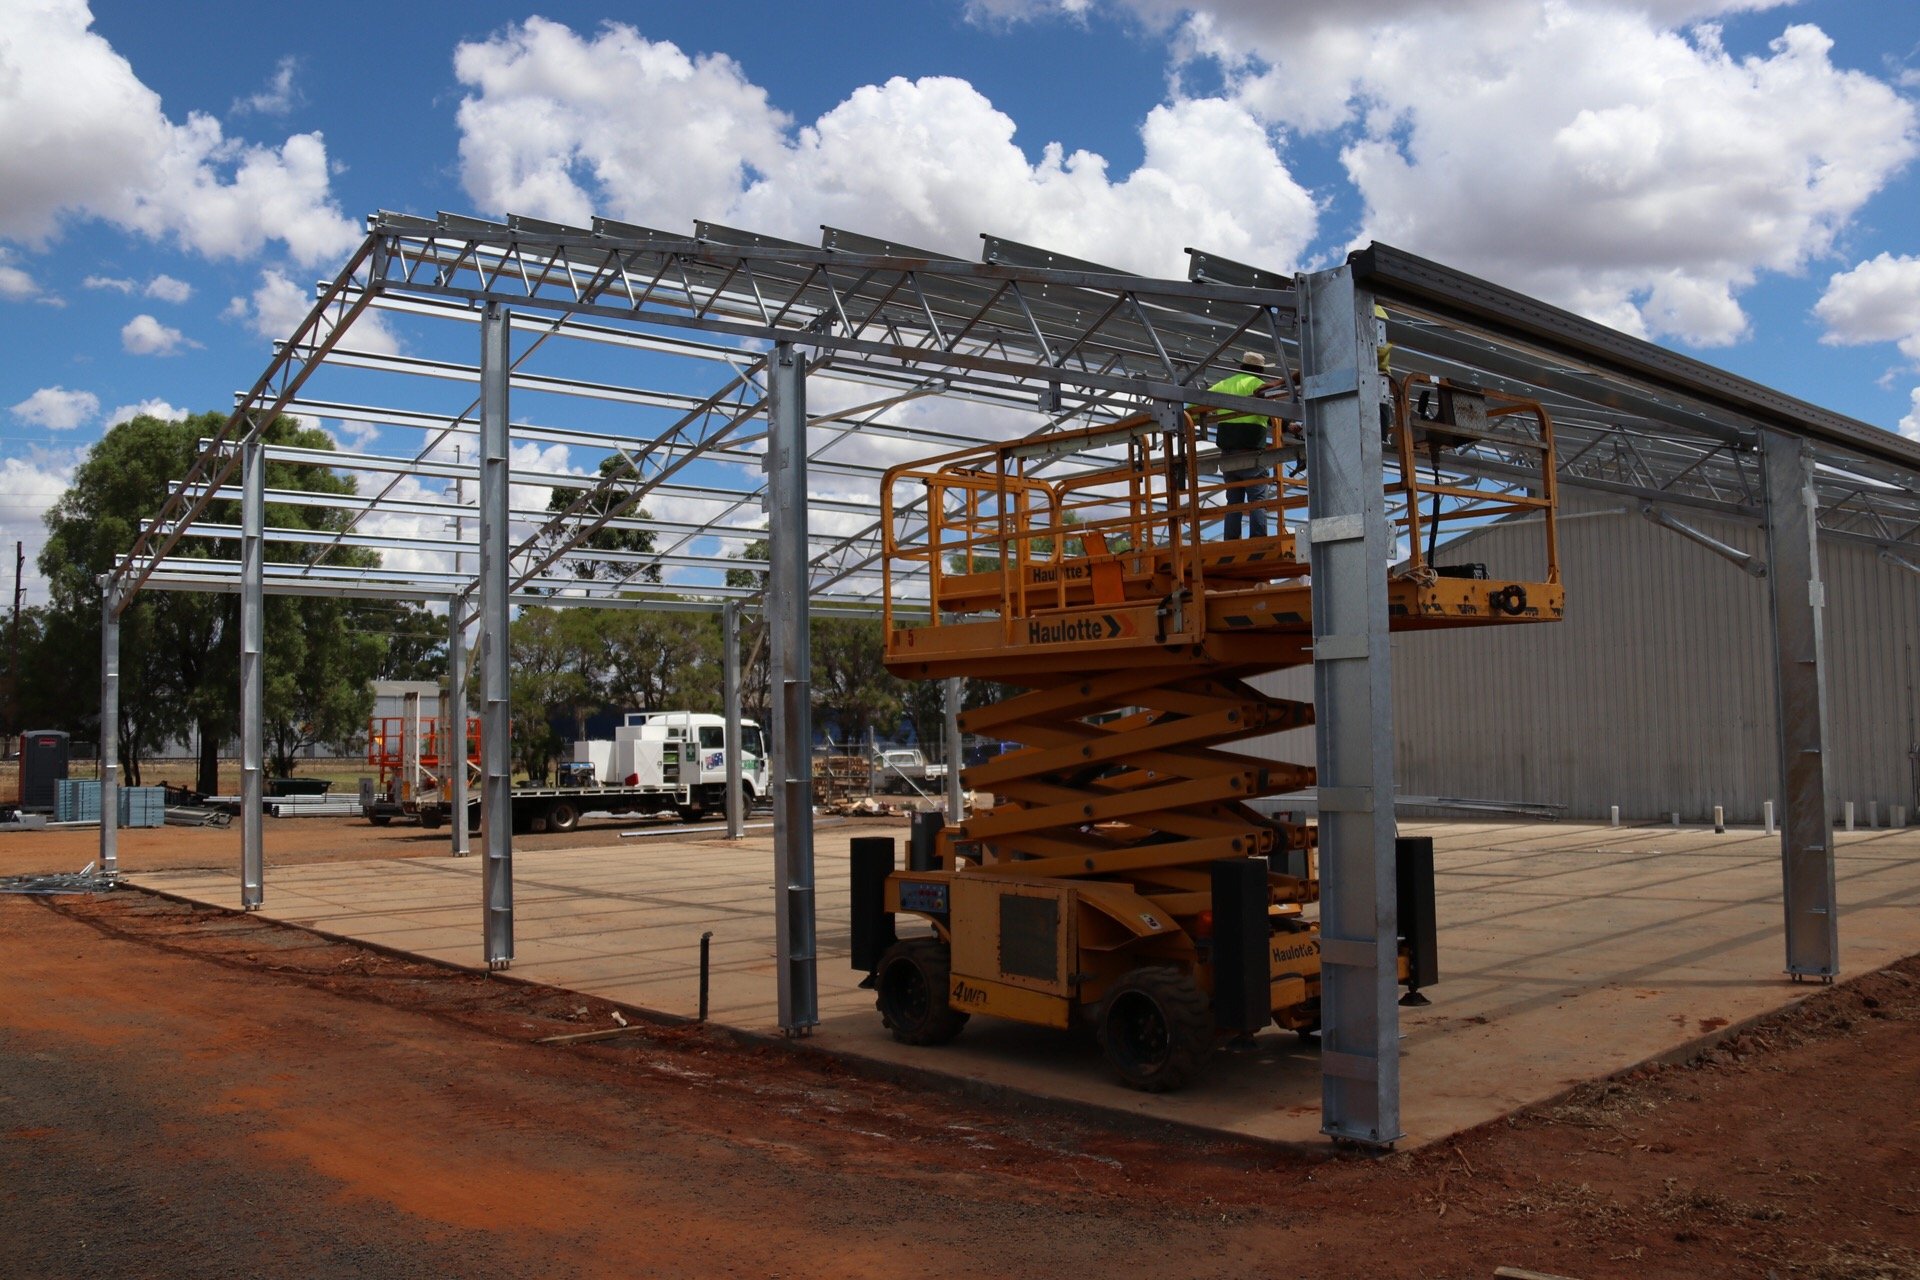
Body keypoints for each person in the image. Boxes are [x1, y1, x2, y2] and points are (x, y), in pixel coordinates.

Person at [1207, 351, 1277, 540]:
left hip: (1228, 456)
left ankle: (1231, 540)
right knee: (1257, 501)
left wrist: (1191, 423)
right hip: (1251, 454)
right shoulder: (1258, 386)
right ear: (1260, 370)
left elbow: (1193, 406)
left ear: (1242, 367)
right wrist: (1291, 427)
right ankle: (1258, 539)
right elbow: (1274, 415)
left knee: (1234, 502)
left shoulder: (1223, 385)